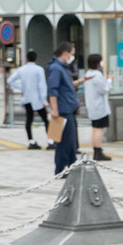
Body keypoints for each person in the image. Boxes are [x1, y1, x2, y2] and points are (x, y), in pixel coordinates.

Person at [45, 42, 81, 175]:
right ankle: (61, 169)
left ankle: (70, 166)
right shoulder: (56, 68)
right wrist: (54, 109)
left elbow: (66, 86)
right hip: (62, 110)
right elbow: (53, 90)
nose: (72, 57)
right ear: (65, 53)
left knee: (68, 140)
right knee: (64, 141)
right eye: (72, 54)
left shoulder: (63, 67)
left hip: (67, 107)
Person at [7, 50, 49, 150]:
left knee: (29, 120)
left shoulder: (22, 69)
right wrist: (44, 99)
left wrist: (22, 87)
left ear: (26, 59)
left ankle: (31, 141)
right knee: (46, 120)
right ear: (36, 59)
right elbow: (42, 85)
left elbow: (10, 80)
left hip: (27, 98)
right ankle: (51, 141)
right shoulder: (39, 69)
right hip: (38, 98)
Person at [82, 54, 113, 162]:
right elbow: (104, 89)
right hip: (99, 106)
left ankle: (96, 150)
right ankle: (98, 151)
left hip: (92, 106)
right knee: (99, 129)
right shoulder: (97, 75)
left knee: (95, 129)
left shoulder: (88, 74)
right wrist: (109, 80)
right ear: (97, 63)